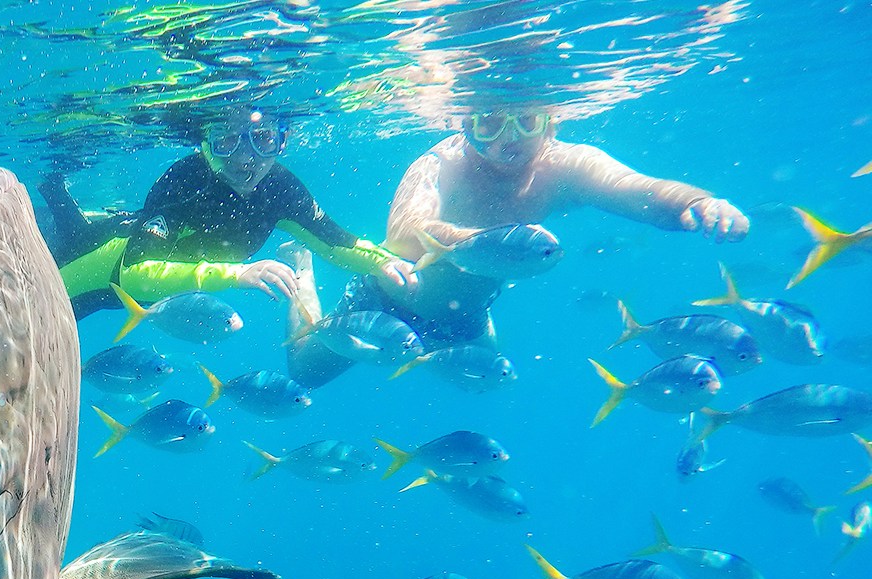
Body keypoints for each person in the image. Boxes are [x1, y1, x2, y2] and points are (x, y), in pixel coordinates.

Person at [290, 108, 750, 384]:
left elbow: (637, 190)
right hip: (387, 304)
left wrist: (695, 202)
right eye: (489, 124)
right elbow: (404, 235)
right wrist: (480, 244)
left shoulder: (567, 165)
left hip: (467, 312)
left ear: (553, 123)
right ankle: (300, 280)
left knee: (492, 376)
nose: (508, 139)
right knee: (304, 372)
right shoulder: (441, 162)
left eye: (525, 122)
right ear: (465, 124)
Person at [45, 107, 417, 318]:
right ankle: (53, 198)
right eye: (225, 140)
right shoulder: (188, 179)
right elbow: (133, 275)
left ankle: (57, 201)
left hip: (132, 296)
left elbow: (334, 241)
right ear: (205, 145)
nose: (244, 158)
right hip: (92, 269)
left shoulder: (279, 189)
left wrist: (381, 262)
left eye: (263, 139)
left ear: (281, 141)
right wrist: (238, 274)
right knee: (30, 323)